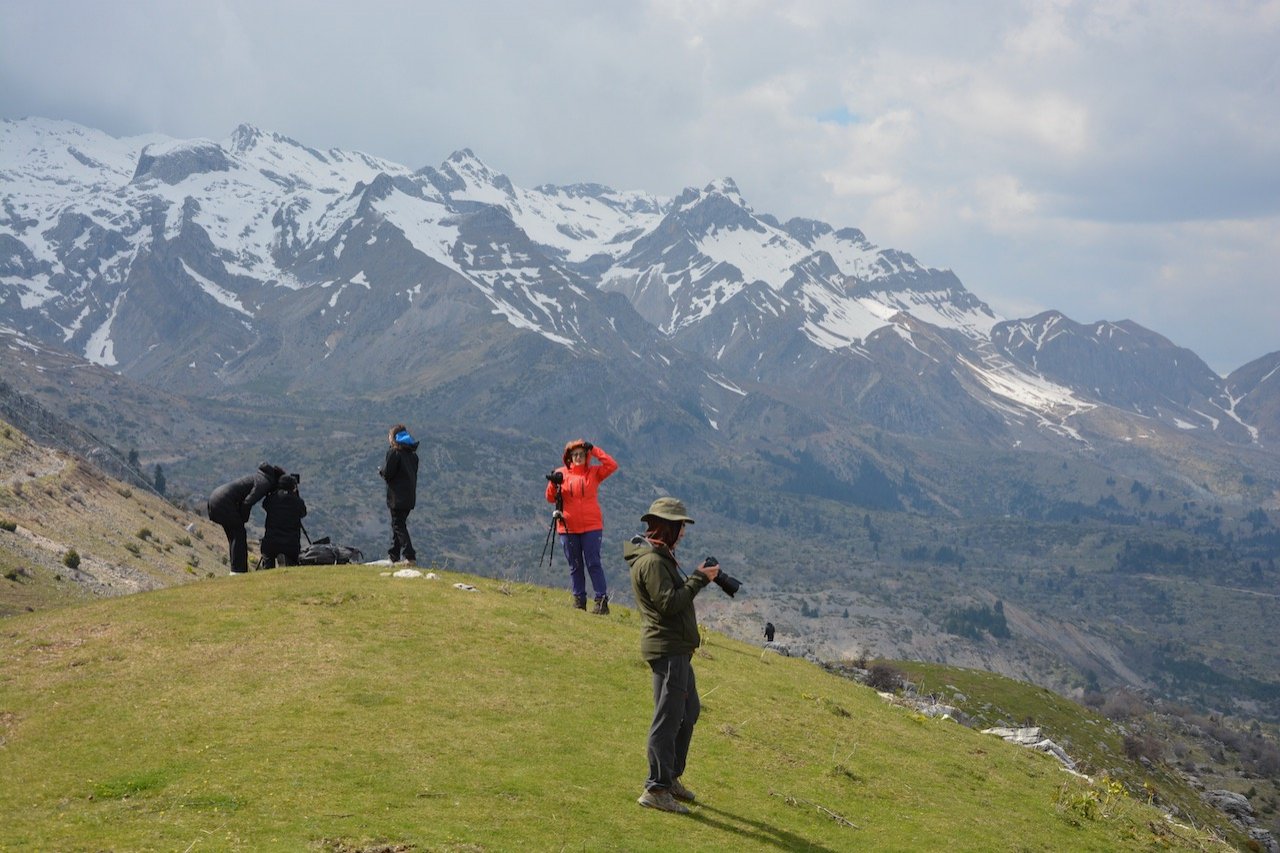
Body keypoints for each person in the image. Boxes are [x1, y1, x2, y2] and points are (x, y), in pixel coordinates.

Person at [625, 496, 719, 814]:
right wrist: (698, 580)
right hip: (667, 651)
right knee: (667, 720)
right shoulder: (652, 562)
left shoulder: (660, 558)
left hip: (676, 650)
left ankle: (670, 777)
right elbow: (668, 604)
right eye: (680, 527)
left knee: (688, 711)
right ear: (668, 527)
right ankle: (656, 788)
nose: (683, 533)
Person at [546, 439, 618, 613]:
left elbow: (612, 465)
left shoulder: (594, 472)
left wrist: (594, 450)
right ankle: (579, 601)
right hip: (568, 527)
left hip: (592, 527)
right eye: (575, 455)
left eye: (582, 454)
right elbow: (549, 498)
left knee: (593, 563)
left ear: (587, 457)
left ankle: (601, 602)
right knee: (575, 565)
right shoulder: (560, 474)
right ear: (569, 457)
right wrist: (554, 483)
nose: (578, 457)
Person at [207, 463, 285, 574]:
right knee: (239, 534)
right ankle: (238, 571)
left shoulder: (259, 477)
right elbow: (248, 502)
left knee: (234, 536)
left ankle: (235, 570)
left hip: (216, 498)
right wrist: (243, 518)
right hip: (224, 502)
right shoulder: (265, 482)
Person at [379, 423, 419, 564]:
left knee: (398, 525)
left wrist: (382, 471)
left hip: (397, 498)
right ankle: (394, 555)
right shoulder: (412, 455)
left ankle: (409, 555)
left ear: (394, 438)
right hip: (409, 498)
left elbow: (388, 474)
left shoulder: (394, 453)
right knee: (398, 524)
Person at [259, 474, 307, 568]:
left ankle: (268, 569)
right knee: (292, 561)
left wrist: (273, 492)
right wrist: (296, 495)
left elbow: (265, 505)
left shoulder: (271, 499)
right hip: (291, 545)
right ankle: (289, 567)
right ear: (293, 486)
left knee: (268, 554)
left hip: (271, 543)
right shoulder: (297, 502)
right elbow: (303, 513)